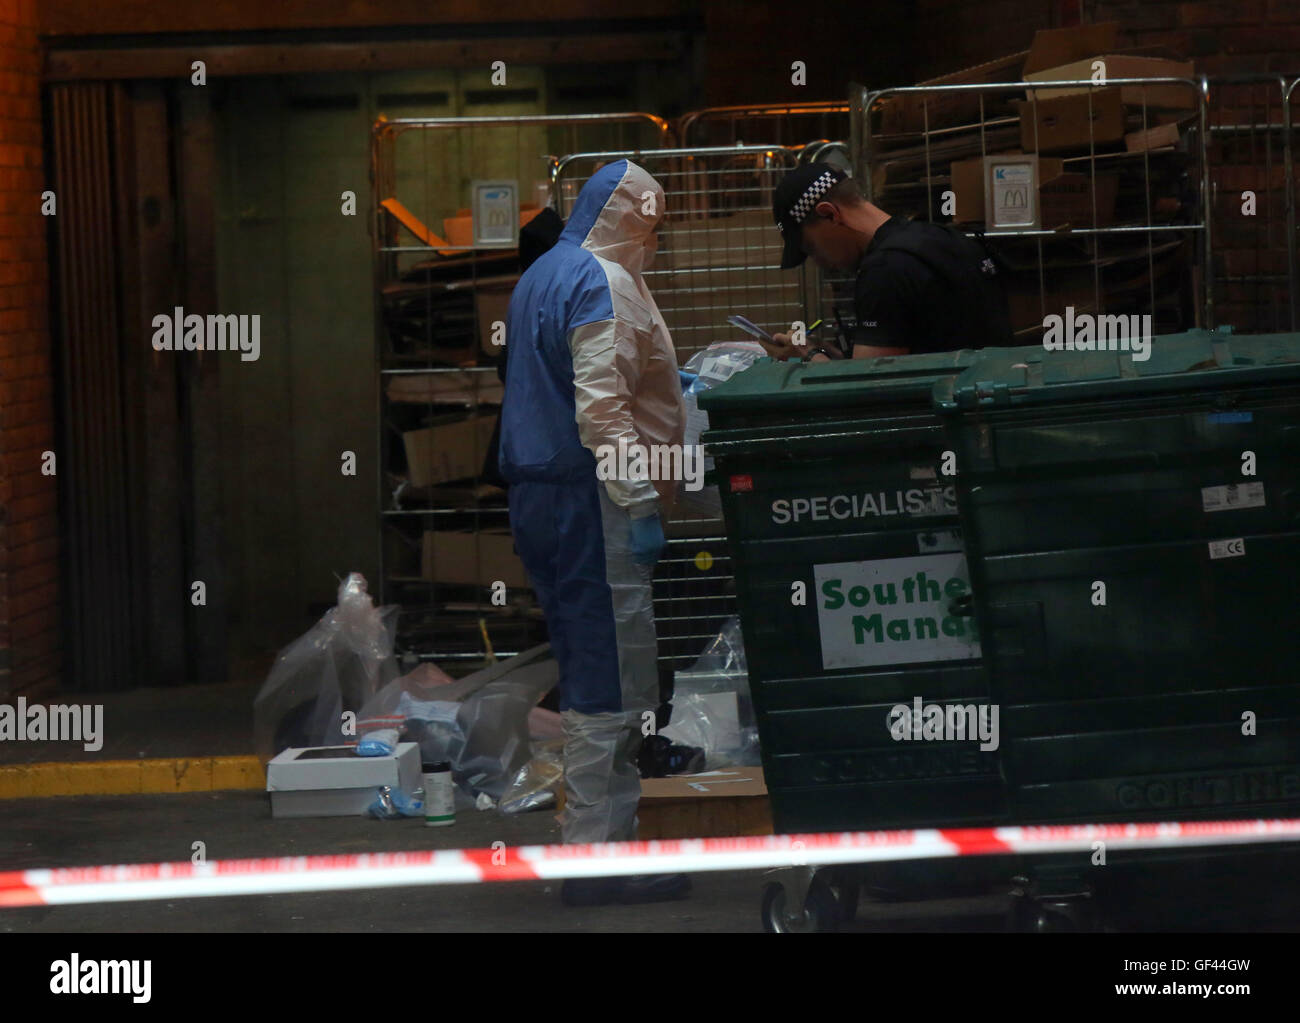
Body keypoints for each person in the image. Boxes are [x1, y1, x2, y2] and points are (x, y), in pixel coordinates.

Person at [499, 159, 691, 907]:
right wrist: (640, 501)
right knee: (610, 681)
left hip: (546, 497)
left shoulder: (544, 272)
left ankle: (596, 846)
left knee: (587, 670)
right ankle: (595, 857)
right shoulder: (602, 282)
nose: (656, 238)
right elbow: (602, 411)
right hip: (594, 501)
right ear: (635, 217)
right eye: (653, 224)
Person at [762, 163, 1014, 363]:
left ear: (830, 214)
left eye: (811, 248)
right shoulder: (939, 237)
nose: (818, 262)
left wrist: (806, 355)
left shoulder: (885, 270)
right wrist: (823, 350)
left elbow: (866, 389)